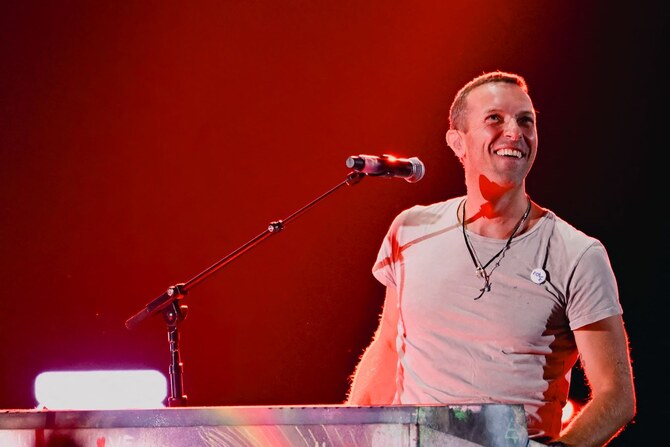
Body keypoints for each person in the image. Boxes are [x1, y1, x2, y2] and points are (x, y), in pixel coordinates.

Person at [345, 71, 636, 446]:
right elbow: (388, 349)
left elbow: (616, 396)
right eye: (495, 118)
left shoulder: (577, 254)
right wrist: (346, 436)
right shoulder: (412, 230)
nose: (515, 132)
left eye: (526, 121)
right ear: (458, 141)